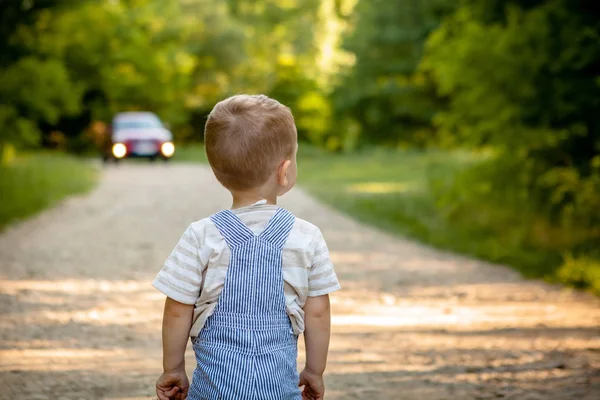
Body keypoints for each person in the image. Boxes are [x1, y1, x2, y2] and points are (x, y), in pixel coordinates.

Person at [152, 94, 341, 400]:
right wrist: (314, 371)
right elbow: (317, 312)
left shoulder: (202, 236)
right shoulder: (306, 237)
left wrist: (173, 368)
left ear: (217, 172)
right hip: (279, 390)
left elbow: (177, 309)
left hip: (214, 390)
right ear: (285, 171)